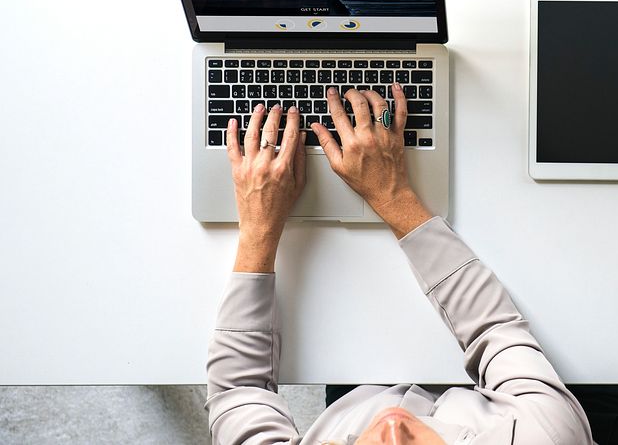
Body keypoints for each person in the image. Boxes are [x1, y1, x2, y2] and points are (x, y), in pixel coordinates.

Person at [206, 84, 598, 444]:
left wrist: (259, 226)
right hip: (507, 412)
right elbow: (494, 330)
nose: (393, 425)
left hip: (360, 396)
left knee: (349, 376)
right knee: (601, 375)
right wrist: (394, 196)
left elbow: (236, 392)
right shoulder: (542, 436)